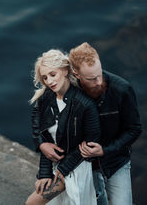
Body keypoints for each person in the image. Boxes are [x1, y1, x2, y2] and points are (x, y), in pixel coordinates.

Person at [36, 42, 142, 205]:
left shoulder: (122, 89)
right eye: (91, 79)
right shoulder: (66, 88)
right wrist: (41, 143)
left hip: (115, 160)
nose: (99, 82)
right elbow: (41, 116)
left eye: (100, 74)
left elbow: (134, 129)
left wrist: (105, 151)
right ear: (76, 74)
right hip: (84, 165)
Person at [26, 49, 101, 205]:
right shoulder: (46, 98)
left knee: (32, 203)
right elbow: (44, 136)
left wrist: (63, 169)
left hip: (76, 165)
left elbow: (91, 142)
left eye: (53, 75)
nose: (49, 81)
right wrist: (45, 173)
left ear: (66, 70)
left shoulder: (85, 104)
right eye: (45, 78)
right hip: (55, 164)